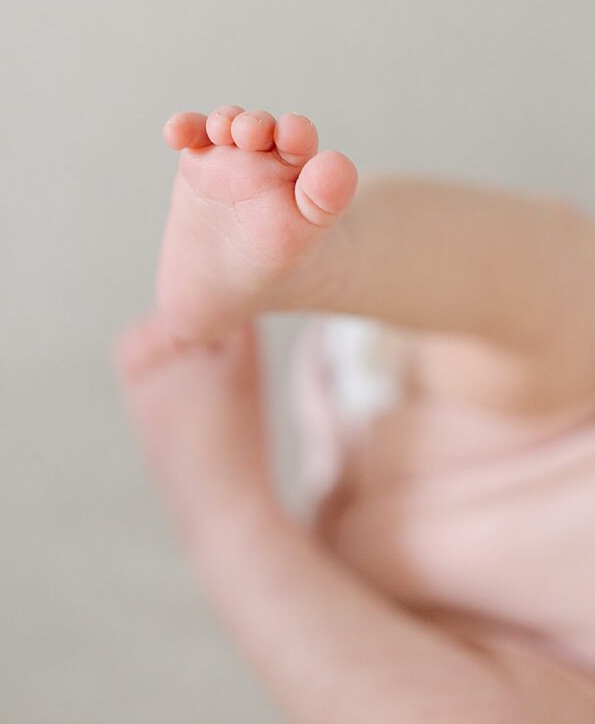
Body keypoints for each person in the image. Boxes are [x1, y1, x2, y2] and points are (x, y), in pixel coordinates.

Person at [116, 106, 595, 723]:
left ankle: (225, 518)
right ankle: (318, 258)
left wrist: (224, 515)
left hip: (500, 657)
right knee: (564, 286)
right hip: (555, 428)